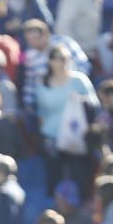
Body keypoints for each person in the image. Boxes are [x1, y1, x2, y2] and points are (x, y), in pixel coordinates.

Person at [35, 44, 98, 197]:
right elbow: (41, 112)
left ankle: (80, 205)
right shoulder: (42, 83)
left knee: (79, 174)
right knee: (54, 175)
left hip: (76, 135)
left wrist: (81, 101)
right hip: (52, 135)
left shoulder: (79, 80)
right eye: (57, 58)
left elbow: (95, 104)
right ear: (50, 61)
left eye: (64, 58)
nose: (61, 62)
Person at [21, 18, 90, 115]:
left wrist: (70, 85)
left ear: (45, 34)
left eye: (34, 38)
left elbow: (83, 65)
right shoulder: (30, 55)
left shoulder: (65, 42)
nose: (32, 43)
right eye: (29, 40)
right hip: (49, 100)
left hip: (73, 96)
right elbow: (31, 82)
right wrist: (28, 104)